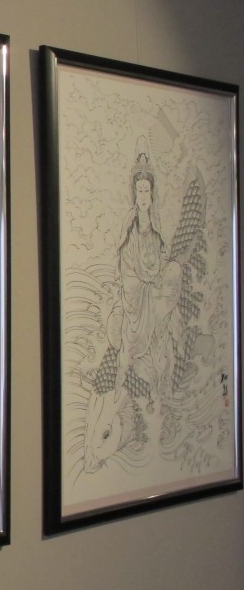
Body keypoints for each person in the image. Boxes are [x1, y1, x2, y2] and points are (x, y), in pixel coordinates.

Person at [106, 152, 183, 403]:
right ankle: (118, 390)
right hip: (136, 295)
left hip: (155, 289)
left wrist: (158, 273)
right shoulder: (130, 224)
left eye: (146, 191)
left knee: (164, 335)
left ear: (152, 193)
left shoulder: (156, 221)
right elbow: (125, 262)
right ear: (134, 193)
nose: (143, 197)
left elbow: (162, 252)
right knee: (128, 344)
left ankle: (162, 390)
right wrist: (140, 284)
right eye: (139, 191)